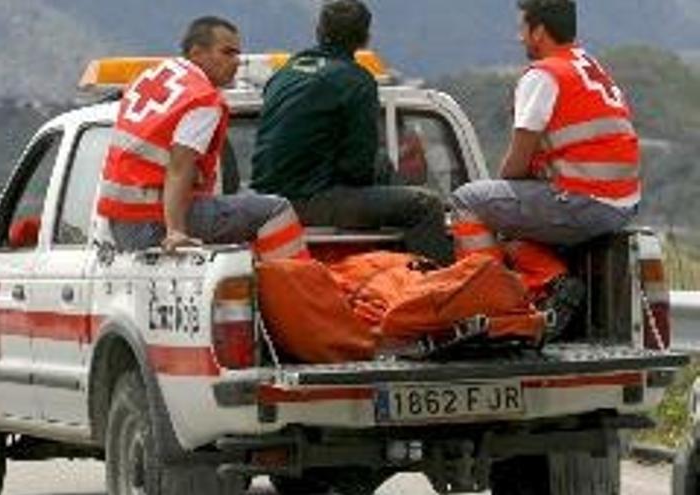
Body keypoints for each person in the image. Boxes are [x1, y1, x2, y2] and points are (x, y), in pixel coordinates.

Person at [451, 0, 640, 333]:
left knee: (469, 201)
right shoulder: (588, 66)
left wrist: (506, 188)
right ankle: (551, 282)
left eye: (522, 28)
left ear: (538, 31)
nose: (519, 37)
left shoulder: (543, 75)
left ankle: (496, 305)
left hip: (584, 202)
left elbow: (516, 163)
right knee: (507, 209)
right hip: (621, 204)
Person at [250, 0, 453, 265]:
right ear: (365, 37)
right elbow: (356, 167)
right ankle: (437, 294)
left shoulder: (284, 75)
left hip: (266, 200)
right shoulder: (356, 81)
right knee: (424, 206)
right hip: (307, 201)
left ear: (319, 31)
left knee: (381, 166)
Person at [96, 16, 309, 261]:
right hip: (154, 221)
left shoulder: (153, 77)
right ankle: (297, 292)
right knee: (276, 209)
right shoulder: (202, 99)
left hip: (121, 223)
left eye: (237, 54)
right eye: (228, 52)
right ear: (197, 53)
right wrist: (176, 231)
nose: (236, 61)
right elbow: (180, 166)